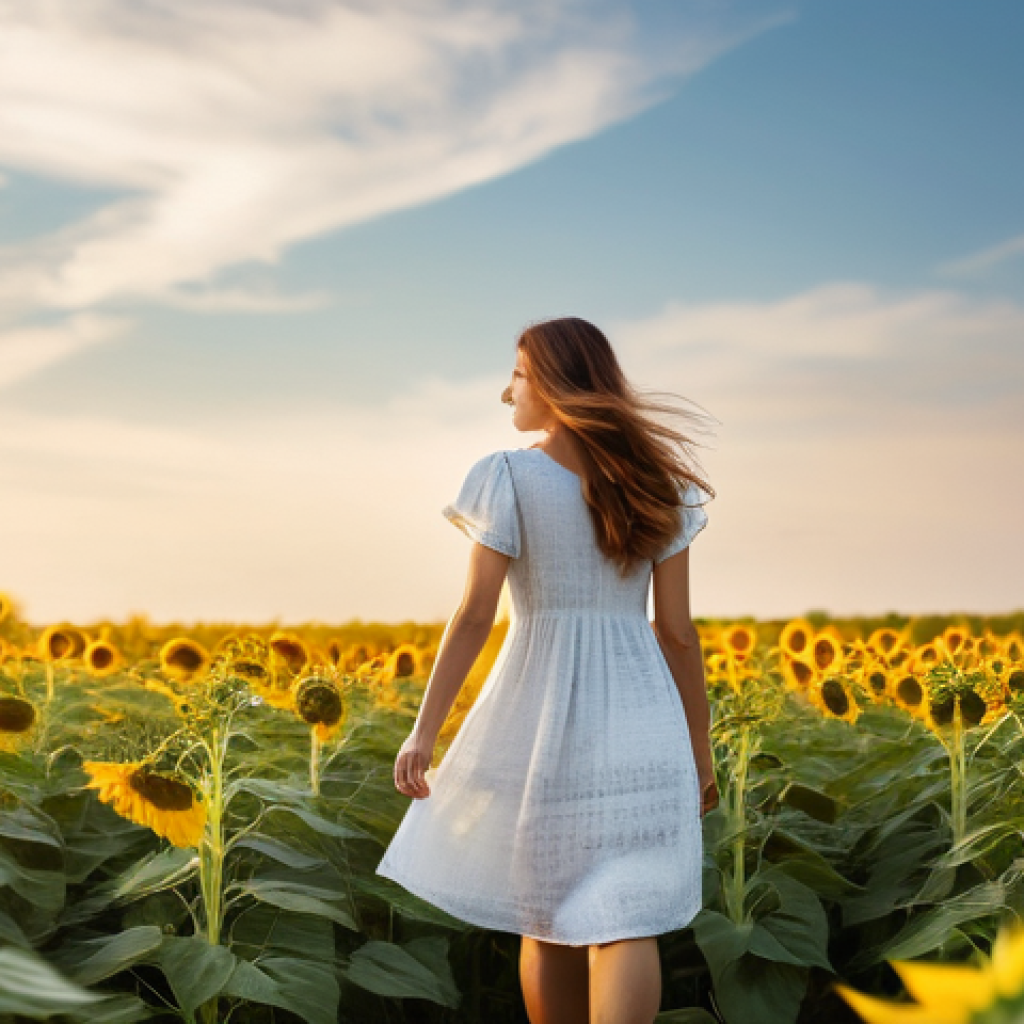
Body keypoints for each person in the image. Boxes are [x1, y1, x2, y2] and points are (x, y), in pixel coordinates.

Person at [375, 316, 719, 1024]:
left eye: (519, 375)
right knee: (628, 915)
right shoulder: (657, 485)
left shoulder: (508, 476)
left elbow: (475, 616)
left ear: (557, 385)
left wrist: (424, 733)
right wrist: (700, 751)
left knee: (547, 908)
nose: (508, 393)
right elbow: (677, 634)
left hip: (539, 719)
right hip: (643, 721)